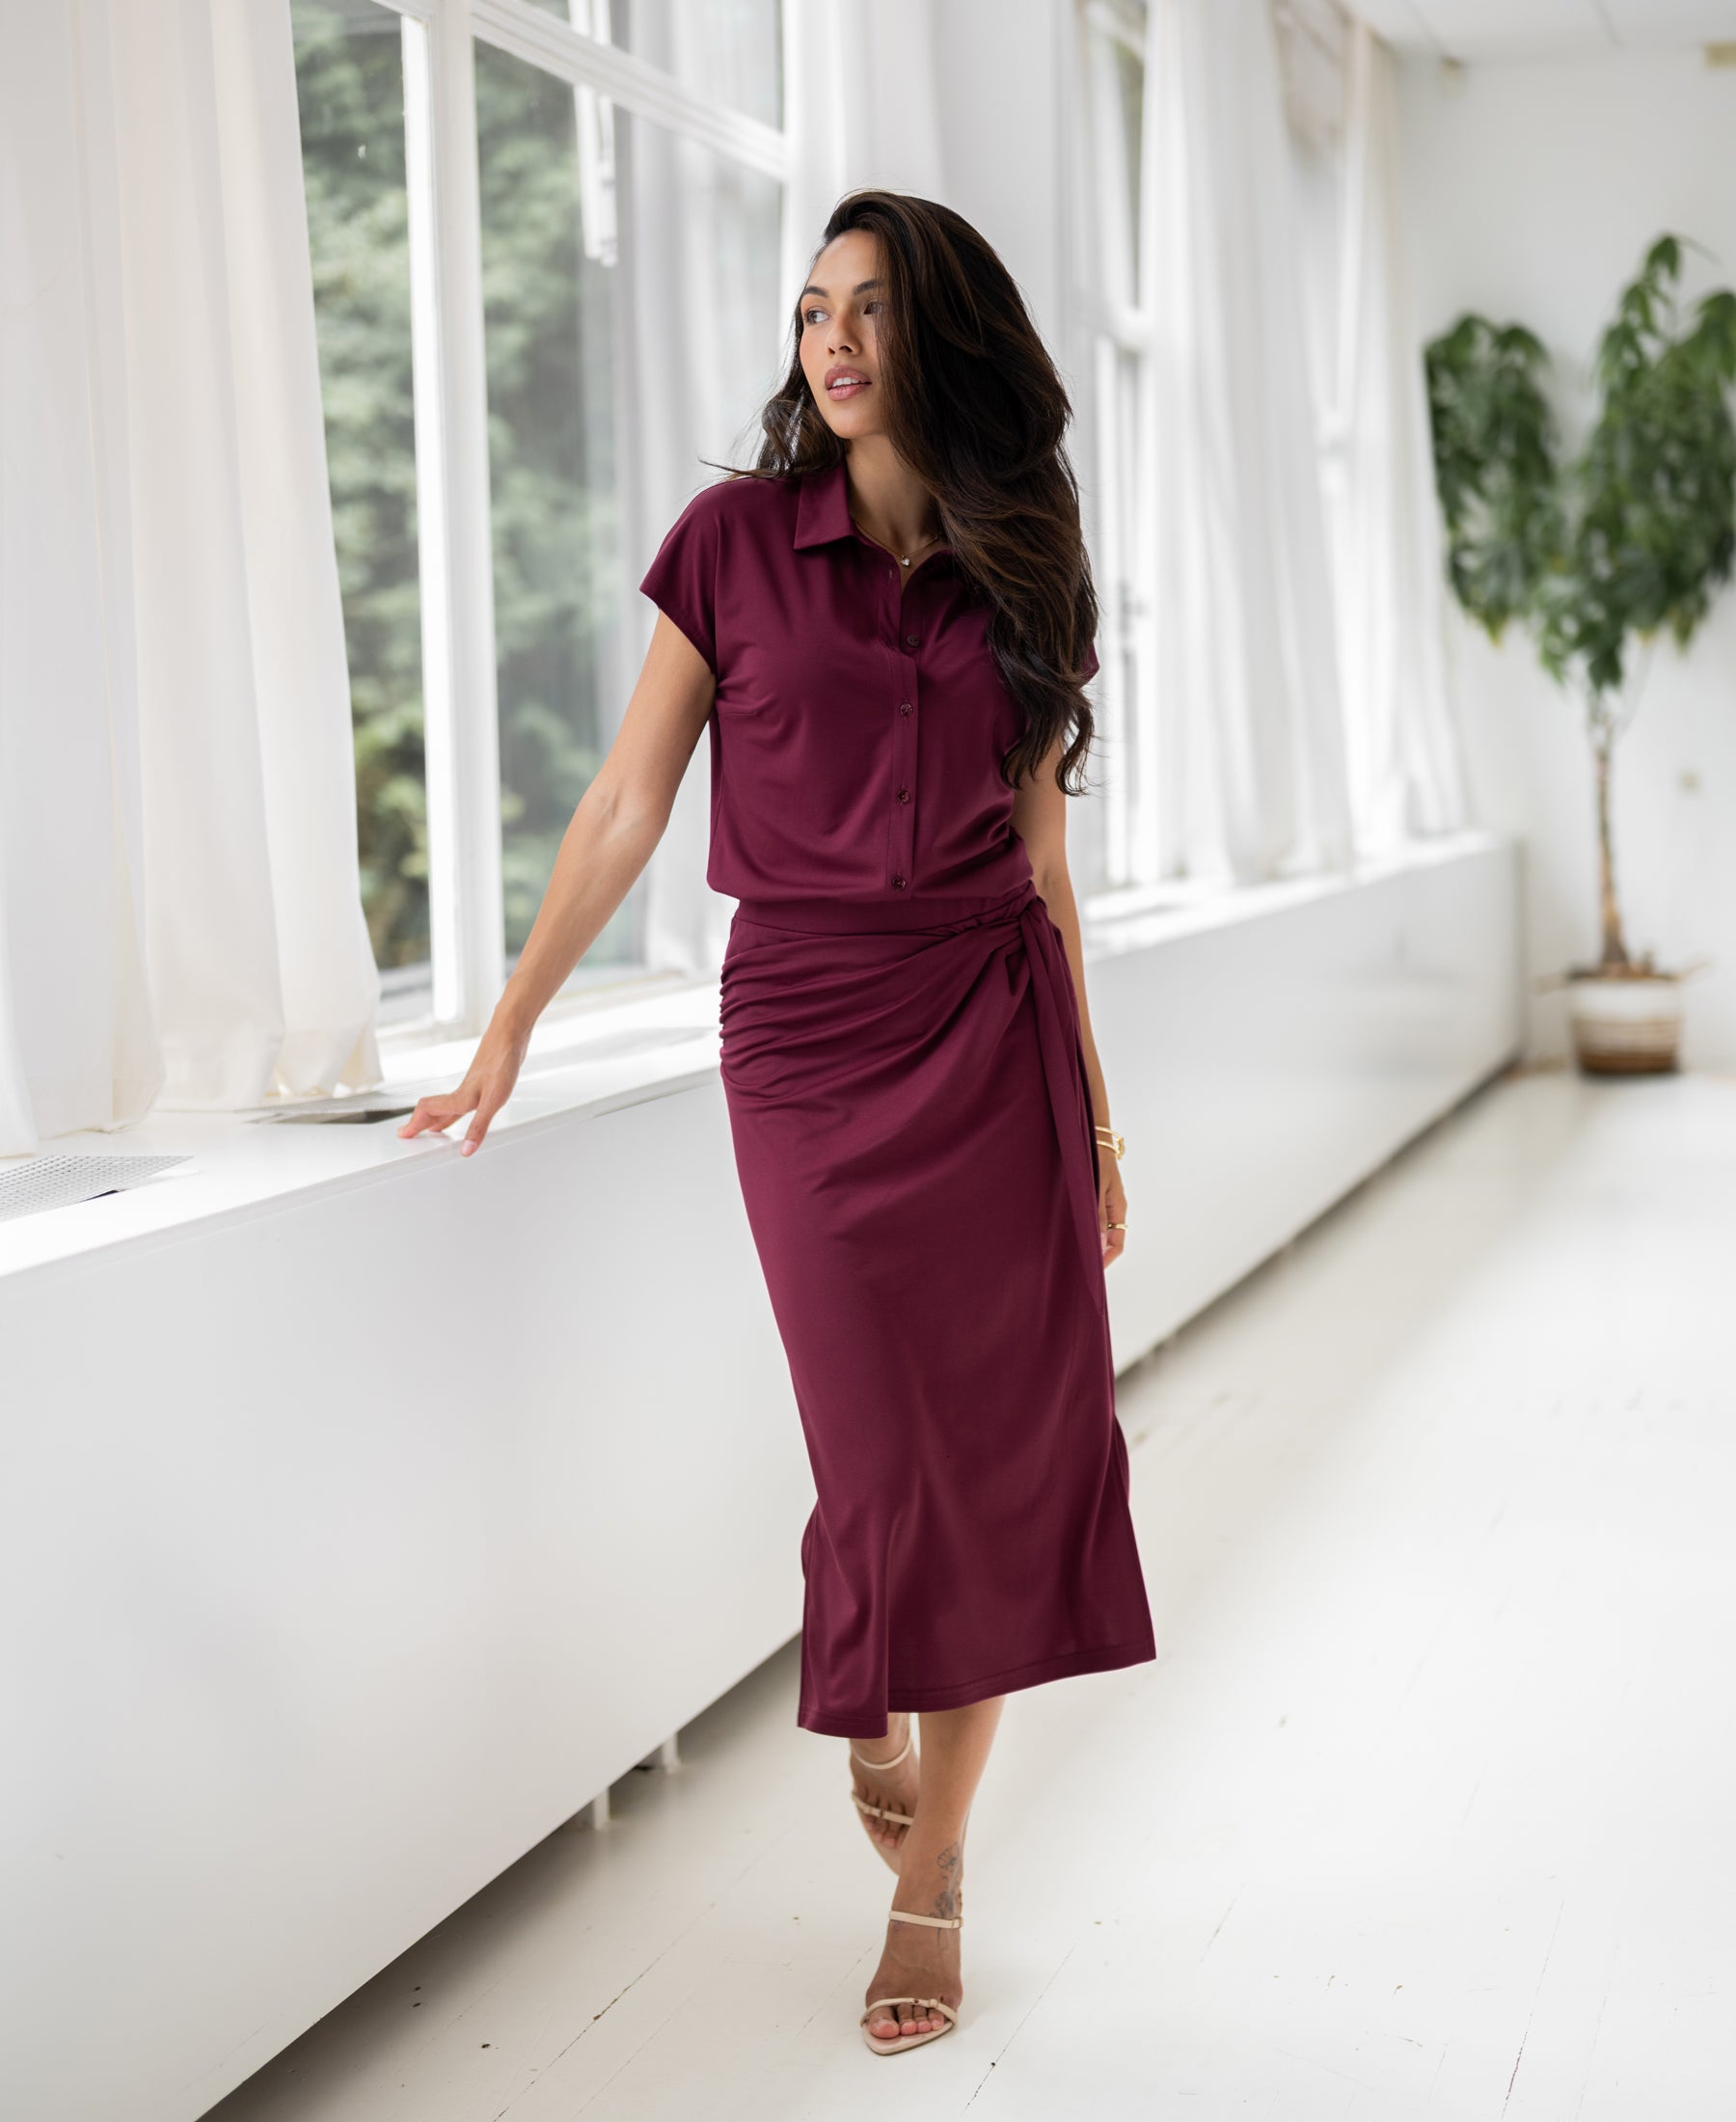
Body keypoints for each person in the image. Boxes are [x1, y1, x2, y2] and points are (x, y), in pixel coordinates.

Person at [397, 188, 1157, 2058]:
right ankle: (869, 1666)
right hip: (808, 1036)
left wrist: (1098, 1120)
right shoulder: (732, 539)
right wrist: (511, 1018)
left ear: (939, 336)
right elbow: (626, 804)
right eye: (814, 308)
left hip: (992, 1031)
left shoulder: (1026, 562)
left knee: (1008, 1450)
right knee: (877, 1440)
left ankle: (937, 1869)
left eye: (871, 309)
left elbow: (1047, 869)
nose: (832, 340)